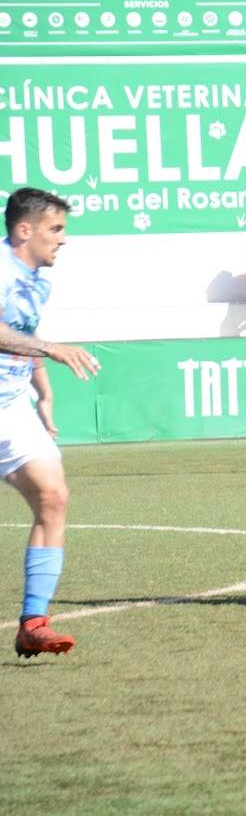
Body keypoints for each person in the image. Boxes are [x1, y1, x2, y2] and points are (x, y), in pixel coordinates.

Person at [1, 188, 101, 657]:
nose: (63, 240)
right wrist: (51, 350)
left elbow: (21, 332)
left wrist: (43, 389)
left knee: (53, 494)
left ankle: (33, 621)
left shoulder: (36, 277)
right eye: (55, 230)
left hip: (10, 405)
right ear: (25, 230)